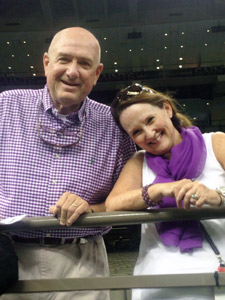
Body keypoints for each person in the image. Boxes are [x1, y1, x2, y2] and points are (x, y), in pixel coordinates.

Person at [0, 27, 136, 300]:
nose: (73, 72)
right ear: (47, 63)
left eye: (84, 63)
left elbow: (126, 197)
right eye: (64, 59)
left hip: (82, 261)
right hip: (8, 258)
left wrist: (92, 209)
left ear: (96, 74)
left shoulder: (115, 125)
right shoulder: (5, 107)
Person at [105, 83, 225, 300]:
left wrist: (217, 196)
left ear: (167, 109)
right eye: (136, 132)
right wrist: (157, 190)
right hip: (161, 282)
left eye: (150, 120)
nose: (149, 134)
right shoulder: (138, 161)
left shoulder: (216, 143)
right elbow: (112, 204)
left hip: (218, 277)